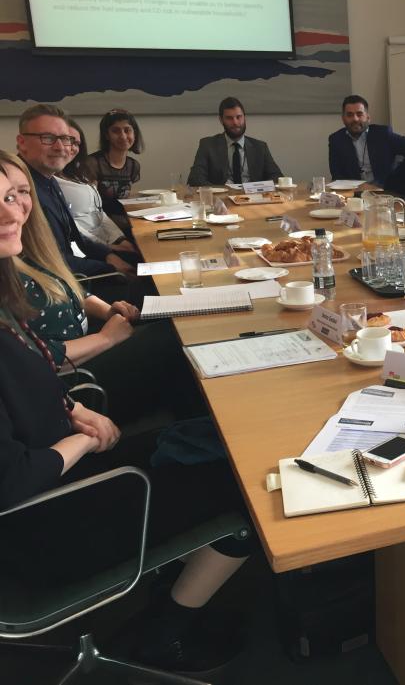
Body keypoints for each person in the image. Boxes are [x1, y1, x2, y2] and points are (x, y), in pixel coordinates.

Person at [0, 159, 254, 672]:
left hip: (60, 476)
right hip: (38, 526)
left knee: (213, 442)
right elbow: (11, 481)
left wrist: (70, 408)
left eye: (16, 194)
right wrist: (86, 440)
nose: (15, 210)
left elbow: (26, 380)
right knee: (247, 486)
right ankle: (164, 635)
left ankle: (168, 587)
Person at [0, 150, 135, 368]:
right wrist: (106, 338)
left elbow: (66, 285)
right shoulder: (7, 262)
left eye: (18, 194)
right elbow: (32, 360)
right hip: (77, 373)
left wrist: (107, 310)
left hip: (92, 339)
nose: (14, 211)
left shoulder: (28, 246)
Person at [15, 104, 135, 279]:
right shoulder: (19, 189)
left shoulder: (49, 179)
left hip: (78, 266)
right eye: (47, 138)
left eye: (65, 138)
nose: (61, 147)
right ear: (22, 143)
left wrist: (108, 255)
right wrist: (109, 268)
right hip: (64, 283)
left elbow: (74, 237)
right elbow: (47, 262)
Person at [59, 117, 139, 255]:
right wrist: (108, 249)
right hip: (89, 250)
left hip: (107, 236)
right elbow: (73, 228)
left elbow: (98, 212)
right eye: (65, 140)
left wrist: (120, 239)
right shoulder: (91, 164)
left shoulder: (78, 173)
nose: (67, 147)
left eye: (75, 142)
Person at [187, 97, 283, 187]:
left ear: (244, 117)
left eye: (239, 117)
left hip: (253, 199)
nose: (235, 122)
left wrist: (256, 189)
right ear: (221, 120)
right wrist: (223, 191)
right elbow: (195, 179)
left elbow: (277, 177)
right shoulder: (207, 145)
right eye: (229, 118)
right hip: (221, 201)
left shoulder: (260, 147)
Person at [328, 94, 405, 186]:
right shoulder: (336, 140)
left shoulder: (383, 134)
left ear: (368, 118)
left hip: (386, 193)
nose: (355, 119)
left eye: (359, 114)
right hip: (354, 195)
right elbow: (337, 176)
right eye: (350, 115)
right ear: (343, 118)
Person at [85, 108, 144, 209]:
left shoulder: (133, 166)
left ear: (134, 133)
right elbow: (90, 206)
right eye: (115, 131)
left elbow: (126, 201)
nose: (123, 136)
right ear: (107, 135)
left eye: (127, 130)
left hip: (124, 219)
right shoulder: (92, 163)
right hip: (99, 220)